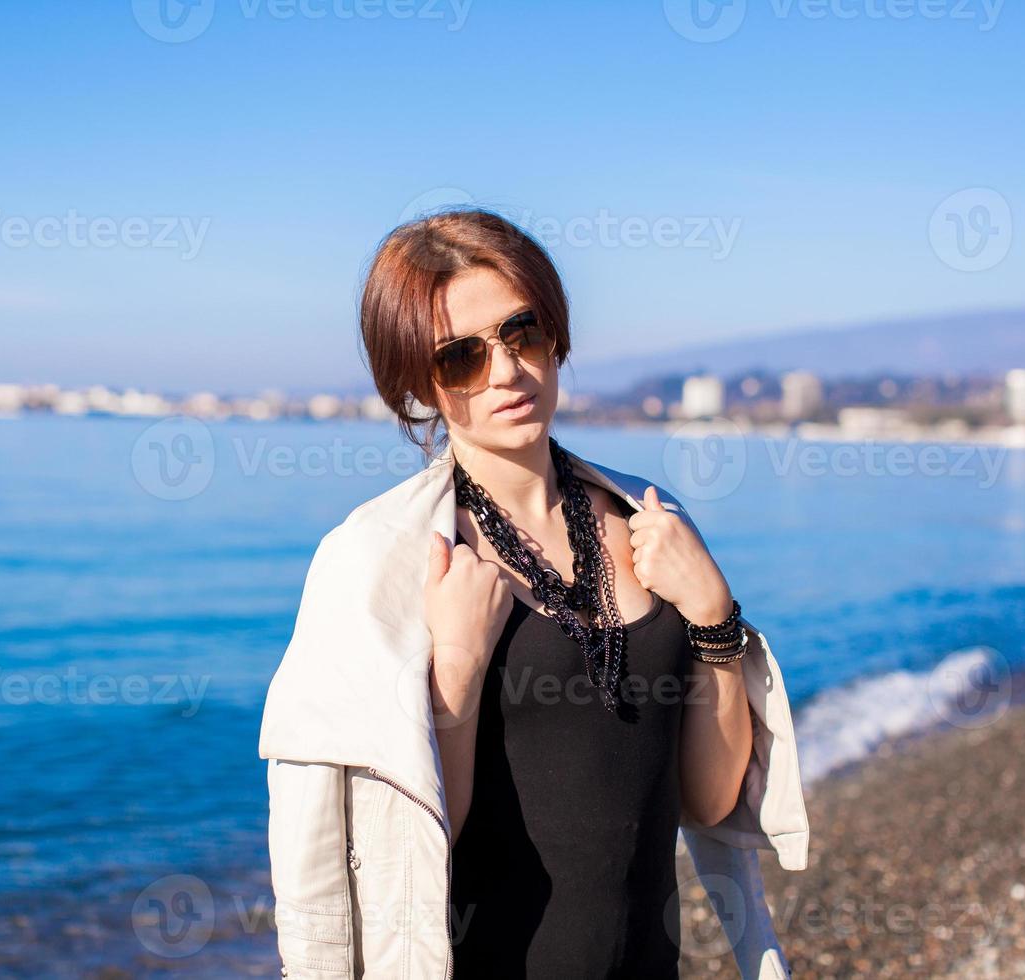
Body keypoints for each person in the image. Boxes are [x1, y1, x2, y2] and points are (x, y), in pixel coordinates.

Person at [258, 208, 809, 979]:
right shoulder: (381, 563)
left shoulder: (650, 519)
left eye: (523, 333)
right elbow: (391, 858)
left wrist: (713, 617)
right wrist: (455, 669)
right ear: (417, 382)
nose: (506, 371)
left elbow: (709, 801)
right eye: (460, 358)